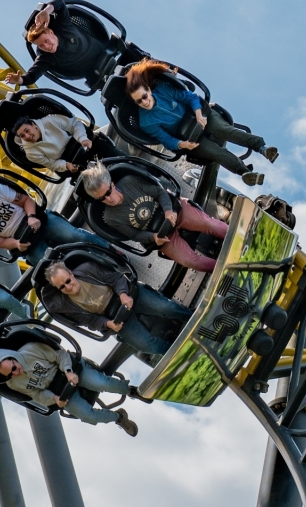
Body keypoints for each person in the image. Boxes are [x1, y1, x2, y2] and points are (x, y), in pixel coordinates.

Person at [125, 59, 279, 187]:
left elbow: (190, 97)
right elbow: (166, 140)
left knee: (225, 131)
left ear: (149, 90)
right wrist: (183, 145)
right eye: (138, 101)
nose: (144, 102)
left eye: (144, 96)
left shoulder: (163, 90)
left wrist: (199, 114)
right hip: (187, 136)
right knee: (215, 152)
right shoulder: (146, 122)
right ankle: (244, 172)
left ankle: (262, 148)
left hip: (198, 115)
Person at [80, 160, 228, 272]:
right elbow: (134, 234)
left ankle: (239, 236)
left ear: (112, 184)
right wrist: (153, 238)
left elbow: (160, 192)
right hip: (161, 235)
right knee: (190, 261)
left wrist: (168, 210)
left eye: (107, 193)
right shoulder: (110, 217)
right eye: (102, 199)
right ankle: (226, 269)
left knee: (211, 224)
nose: (109, 199)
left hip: (175, 211)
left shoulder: (129, 182)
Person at [0, 338, 139, 435]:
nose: (15, 372)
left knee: (101, 383)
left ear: (11, 357)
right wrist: (54, 399)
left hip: (70, 371)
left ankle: (132, 391)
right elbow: (36, 395)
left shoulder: (31, 350)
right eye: (9, 374)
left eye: (13, 368)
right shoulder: (14, 383)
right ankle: (119, 417)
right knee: (89, 416)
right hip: (61, 392)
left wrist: (69, 371)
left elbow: (59, 355)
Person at [42, 259, 192, 356]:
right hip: (116, 318)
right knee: (147, 345)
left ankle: (192, 317)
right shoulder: (67, 304)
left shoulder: (88, 269)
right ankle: (181, 352)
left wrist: (123, 295)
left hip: (128, 296)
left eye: (68, 281)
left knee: (166, 308)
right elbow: (90, 320)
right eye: (62, 287)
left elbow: (116, 278)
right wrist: (109, 324)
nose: (68, 287)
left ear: (71, 273)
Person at [0, 180, 109, 266]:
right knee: (51, 267)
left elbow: (25, 200)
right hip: (24, 240)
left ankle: (109, 250)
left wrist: (32, 216)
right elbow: (0, 242)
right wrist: (16, 244)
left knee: (75, 235)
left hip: (38, 221)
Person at [5, 0, 143, 89]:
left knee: (132, 54)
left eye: (46, 41)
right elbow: (32, 76)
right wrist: (20, 80)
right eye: (41, 46)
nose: (46, 47)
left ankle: (161, 71)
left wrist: (46, 11)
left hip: (109, 51)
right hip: (98, 74)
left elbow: (59, 3)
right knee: (117, 90)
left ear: (51, 33)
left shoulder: (62, 26)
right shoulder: (46, 58)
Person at [13, 113, 120, 175]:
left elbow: (75, 125)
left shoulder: (50, 121)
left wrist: (82, 138)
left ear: (33, 125)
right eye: (22, 136)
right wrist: (66, 166)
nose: (27, 136)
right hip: (71, 161)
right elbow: (52, 164)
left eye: (27, 131)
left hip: (83, 143)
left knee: (118, 159)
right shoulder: (31, 153)